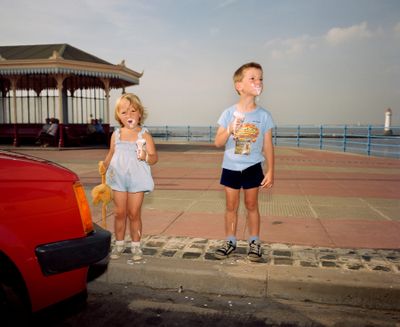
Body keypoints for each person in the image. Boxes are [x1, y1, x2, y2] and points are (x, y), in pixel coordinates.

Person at [214, 62, 275, 262]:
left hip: (253, 166)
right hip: (231, 166)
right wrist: (230, 128)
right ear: (239, 86)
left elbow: (268, 145)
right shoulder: (227, 113)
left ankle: (254, 242)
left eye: (261, 78)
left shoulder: (264, 115)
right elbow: (217, 142)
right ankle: (230, 241)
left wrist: (271, 170)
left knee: (251, 204)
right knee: (231, 206)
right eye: (253, 78)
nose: (258, 82)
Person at [101, 93, 158, 262]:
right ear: (118, 115)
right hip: (118, 178)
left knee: (134, 213)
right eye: (124, 112)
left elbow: (154, 157)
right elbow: (111, 154)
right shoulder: (116, 135)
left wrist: (146, 156)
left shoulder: (144, 135)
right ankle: (119, 243)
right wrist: (104, 166)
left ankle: (135, 244)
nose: (129, 116)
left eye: (133, 111)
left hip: (137, 179)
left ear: (140, 113)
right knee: (119, 213)